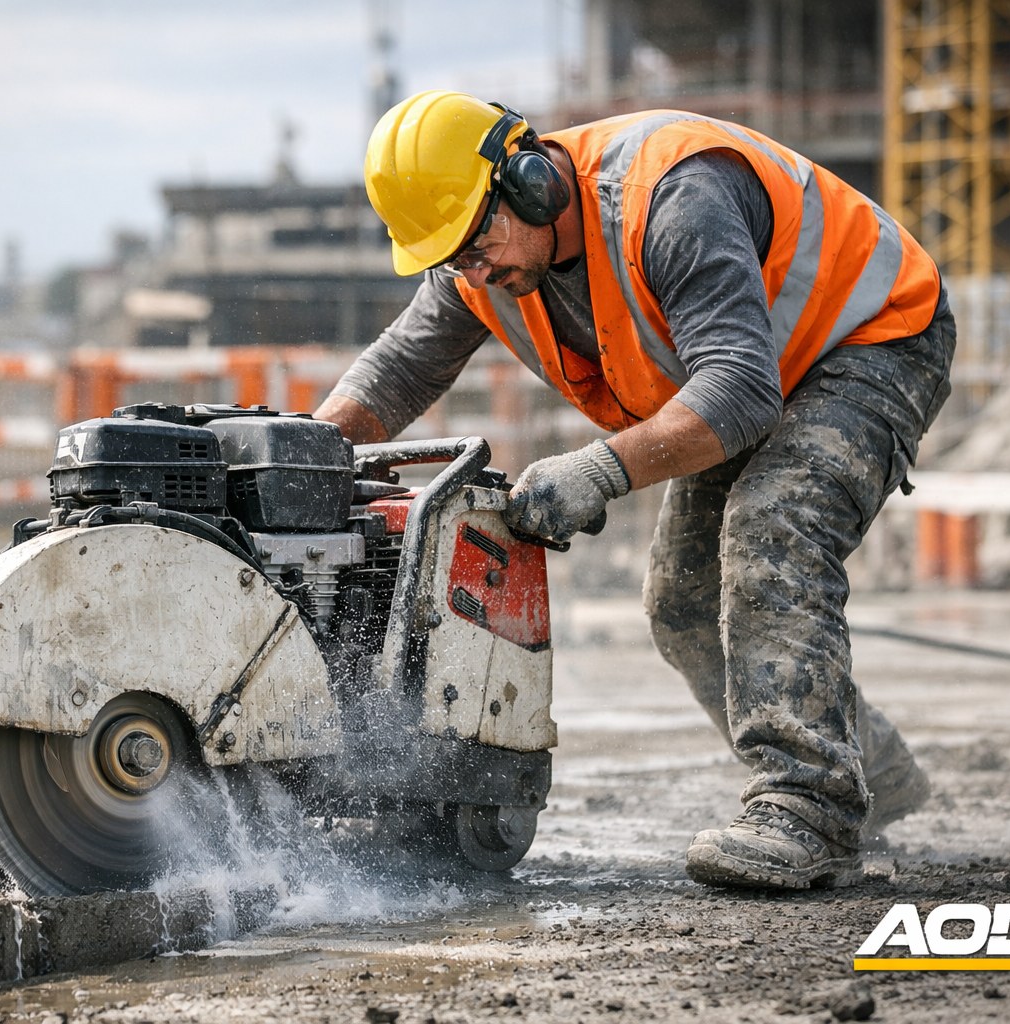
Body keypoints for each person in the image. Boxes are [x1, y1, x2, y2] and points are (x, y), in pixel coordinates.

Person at [315, 92, 952, 890]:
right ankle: (871, 775)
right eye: (453, 260)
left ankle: (811, 806)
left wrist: (598, 470)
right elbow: (397, 371)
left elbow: (741, 390)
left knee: (772, 528)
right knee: (683, 604)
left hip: (870, 337)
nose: (474, 273)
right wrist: (304, 454)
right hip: (753, 370)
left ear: (532, 183)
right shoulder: (478, 259)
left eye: (477, 245)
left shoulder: (671, 199)